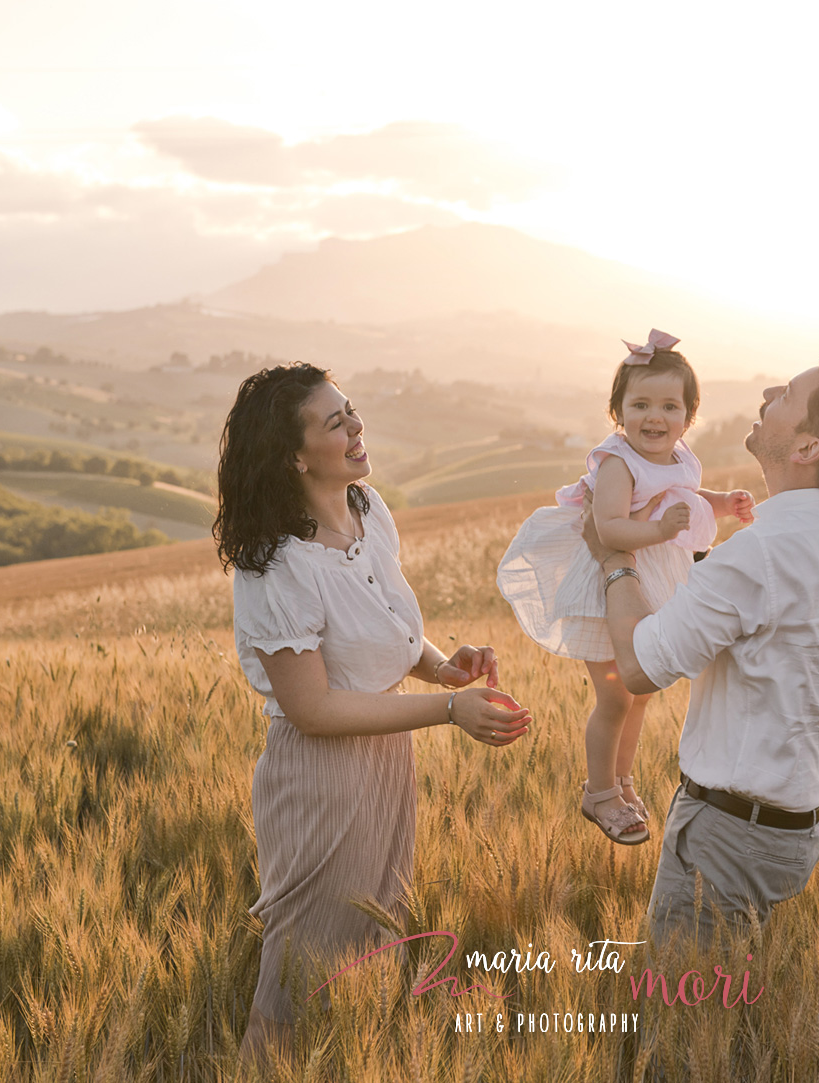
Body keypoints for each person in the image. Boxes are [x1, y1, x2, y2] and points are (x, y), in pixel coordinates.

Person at [213, 363, 532, 1065]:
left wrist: (445, 664)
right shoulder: (276, 565)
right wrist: (449, 707)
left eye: (351, 410)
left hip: (387, 765)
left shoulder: (368, 509)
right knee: (294, 984)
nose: (356, 426)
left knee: (368, 962)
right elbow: (314, 708)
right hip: (322, 779)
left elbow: (391, 629)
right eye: (335, 421)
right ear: (294, 456)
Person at [582, 346, 819, 946]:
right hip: (797, 832)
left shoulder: (759, 552)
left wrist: (615, 559)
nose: (764, 399)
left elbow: (639, 667)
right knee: (738, 1023)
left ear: (808, 448)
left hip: (727, 838)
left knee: (680, 1024)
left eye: (783, 396)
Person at [498, 331, 753, 845]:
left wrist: (724, 502)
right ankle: (599, 792)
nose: (654, 417)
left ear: (689, 416)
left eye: (668, 406)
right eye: (639, 405)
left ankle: (622, 780)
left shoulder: (676, 456)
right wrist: (660, 530)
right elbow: (610, 528)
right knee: (615, 698)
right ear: (617, 413)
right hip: (608, 588)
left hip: (650, 584)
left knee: (641, 696)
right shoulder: (616, 463)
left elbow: (682, 491)